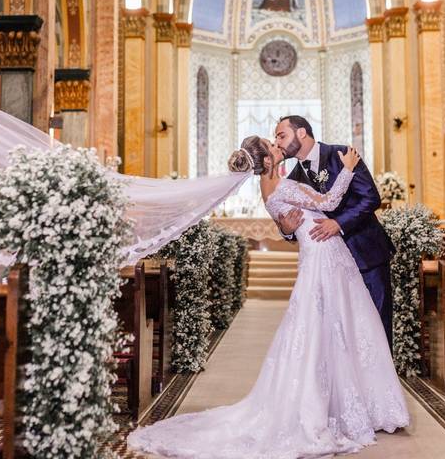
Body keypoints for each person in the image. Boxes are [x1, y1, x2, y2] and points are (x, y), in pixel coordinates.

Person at [127, 136, 409, 458]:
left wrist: (287, 225)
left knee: (330, 324)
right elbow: (328, 203)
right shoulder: (283, 186)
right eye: (273, 146)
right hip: (322, 254)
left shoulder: (269, 188)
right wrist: (346, 170)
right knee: (329, 323)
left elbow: (289, 218)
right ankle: (332, 405)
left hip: (321, 253)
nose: (278, 147)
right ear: (267, 162)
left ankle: (341, 400)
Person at [274, 115, 395, 346]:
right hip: (331, 265)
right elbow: (290, 221)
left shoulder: (341, 155)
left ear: (301, 133)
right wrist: (287, 230)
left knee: (377, 326)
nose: (278, 142)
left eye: (281, 135)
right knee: (341, 332)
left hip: (365, 255)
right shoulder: (293, 178)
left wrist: (339, 223)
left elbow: (371, 197)